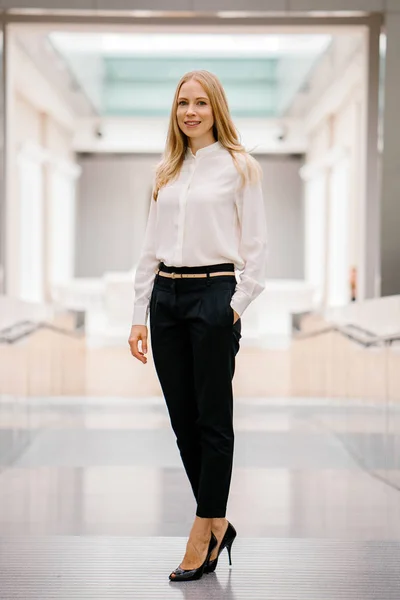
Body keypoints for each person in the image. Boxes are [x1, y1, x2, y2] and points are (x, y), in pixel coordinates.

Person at [128, 69, 268, 582]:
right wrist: (138, 314)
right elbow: (148, 247)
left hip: (213, 293)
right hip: (166, 299)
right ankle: (219, 521)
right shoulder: (166, 171)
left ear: (217, 109)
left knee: (213, 420)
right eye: (183, 103)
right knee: (183, 420)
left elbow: (256, 250)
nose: (190, 112)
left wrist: (233, 306)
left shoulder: (240, 167)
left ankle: (201, 530)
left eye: (200, 103)